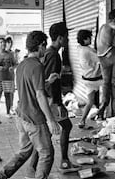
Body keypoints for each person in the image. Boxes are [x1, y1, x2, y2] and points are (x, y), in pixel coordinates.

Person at [0, 31, 60, 179]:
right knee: (47, 154)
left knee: (24, 152)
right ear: (41, 45)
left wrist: (48, 81)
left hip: (21, 117)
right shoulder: (37, 66)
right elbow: (39, 94)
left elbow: (30, 86)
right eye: (44, 46)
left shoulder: (22, 64)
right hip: (34, 118)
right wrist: (51, 120)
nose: (45, 50)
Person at [29, 22, 79, 172]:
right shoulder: (53, 55)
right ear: (60, 38)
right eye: (66, 37)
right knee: (65, 127)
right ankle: (64, 162)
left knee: (47, 134)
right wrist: (58, 103)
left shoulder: (50, 53)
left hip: (49, 98)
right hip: (51, 100)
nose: (68, 40)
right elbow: (51, 81)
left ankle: (32, 165)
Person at [76, 30, 102, 128]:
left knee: (90, 101)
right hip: (94, 79)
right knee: (113, 84)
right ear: (85, 39)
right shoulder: (88, 50)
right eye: (89, 37)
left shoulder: (79, 48)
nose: (91, 39)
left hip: (86, 79)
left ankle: (82, 121)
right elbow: (101, 59)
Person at [0, 38, 15, 120]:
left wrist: (12, 68)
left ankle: (8, 112)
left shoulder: (10, 54)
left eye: (4, 42)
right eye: (1, 42)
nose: (3, 44)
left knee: (8, 95)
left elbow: (15, 64)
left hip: (8, 78)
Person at [4, 36, 18, 115]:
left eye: (11, 42)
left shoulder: (13, 53)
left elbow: (16, 63)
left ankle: (11, 107)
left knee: (11, 92)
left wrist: (13, 67)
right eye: (8, 42)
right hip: (3, 76)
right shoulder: (2, 53)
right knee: (6, 93)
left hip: (11, 75)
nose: (10, 44)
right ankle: (7, 110)